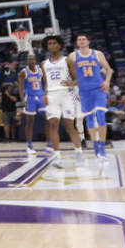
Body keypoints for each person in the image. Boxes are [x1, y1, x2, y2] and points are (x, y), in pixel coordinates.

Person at [72, 33, 113, 168]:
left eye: (84, 39)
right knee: (89, 119)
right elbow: (69, 75)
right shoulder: (73, 56)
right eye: (79, 39)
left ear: (88, 41)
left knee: (101, 116)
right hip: (84, 91)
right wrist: (74, 91)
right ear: (77, 43)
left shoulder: (97, 54)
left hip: (98, 89)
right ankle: (95, 146)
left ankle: (102, 148)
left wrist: (107, 81)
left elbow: (108, 69)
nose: (82, 41)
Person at [41, 35, 80, 169]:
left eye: (54, 43)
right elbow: (45, 83)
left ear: (60, 45)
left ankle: (79, 152)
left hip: (66, 95)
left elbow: (76, 80)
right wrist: (44, 95)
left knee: (70, 126)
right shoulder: (44, 64)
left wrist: (70, 83)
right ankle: (57, 156)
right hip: (52, 96)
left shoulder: (67, 61)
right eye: (49, 44)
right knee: (53, 124)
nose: (51, 46)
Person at [20, 50, 44, 155]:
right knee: (30, 122)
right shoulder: (23, 72)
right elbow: (20, 87)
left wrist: (46, 94)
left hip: (41, 96)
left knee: (50, 119)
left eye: (32, 59)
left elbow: (45, 83)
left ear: (35, 60)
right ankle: (29, 145)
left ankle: (50, 144)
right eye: (29, 59)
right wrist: (22, 99)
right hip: (30, 98)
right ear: (27, 61)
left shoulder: (40, 70)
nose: (31, 60)